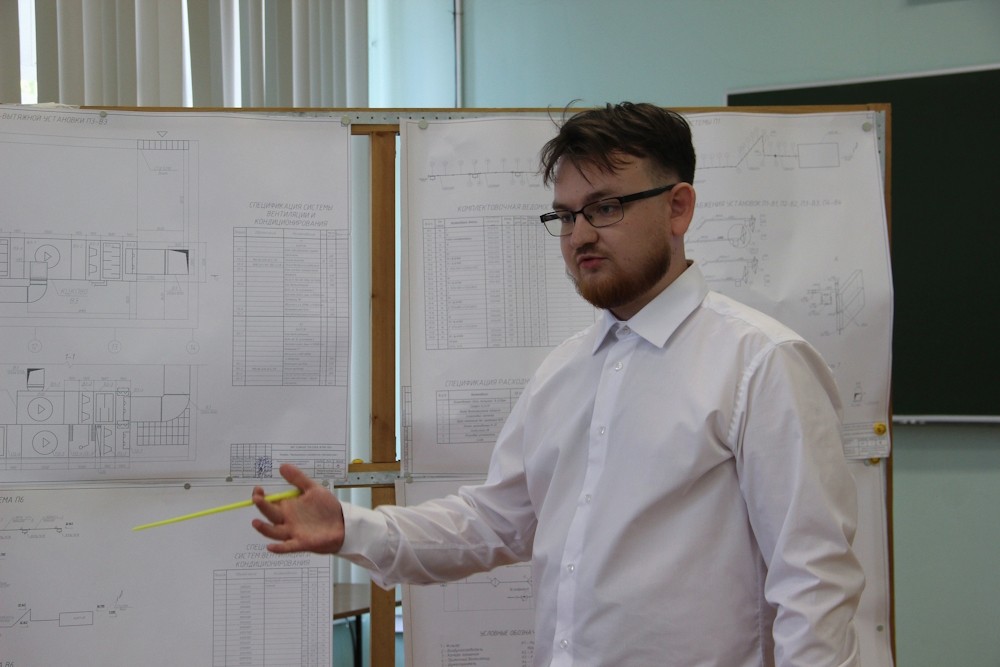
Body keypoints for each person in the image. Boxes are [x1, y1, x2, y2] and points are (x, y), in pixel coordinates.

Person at [252, 102, 865, 666]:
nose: (580, 235)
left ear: (678, 208)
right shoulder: (566, 371)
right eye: (566, 216)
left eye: (606, 207)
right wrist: (352, 528)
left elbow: (813, 584)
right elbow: (493, 522)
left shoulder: (761, 363)